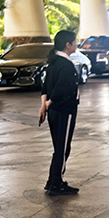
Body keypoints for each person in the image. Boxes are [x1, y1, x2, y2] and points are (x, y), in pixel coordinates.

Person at [39, 30, 81, 196]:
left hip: (54, 111)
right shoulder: (66, 65)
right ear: (68, 45)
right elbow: (60, 88)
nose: (76, 44)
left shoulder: (53, 62)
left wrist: (44, 106)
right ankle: (56, 184)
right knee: (63, 148)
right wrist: (49, 103)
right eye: (75, 42)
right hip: (65, 110)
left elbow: (45, 87)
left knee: (59, 147)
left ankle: (52, 180)